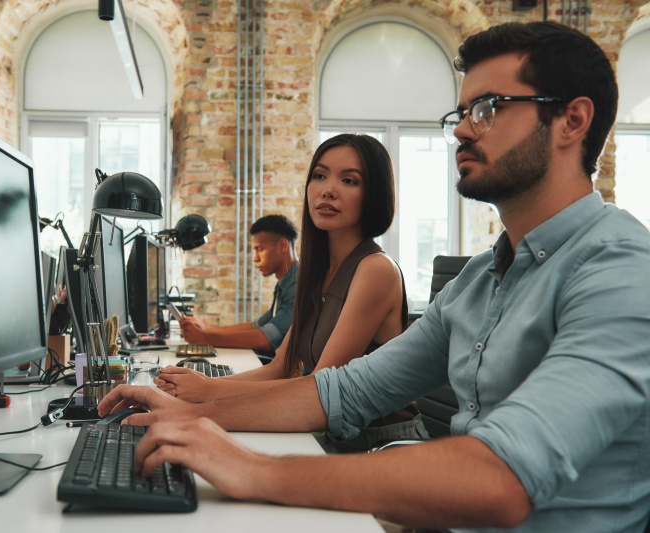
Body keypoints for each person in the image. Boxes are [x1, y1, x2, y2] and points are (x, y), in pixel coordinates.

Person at [99, 21, 650, 531]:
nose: (462, 130)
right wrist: (196, 413)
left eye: (487, 108)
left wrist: (252, 469)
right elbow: (343, 391)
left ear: (572, 121)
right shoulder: (480, 279)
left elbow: (501, 478)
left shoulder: (622, 272)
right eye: (460, 114)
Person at [157, 136, 425, 453]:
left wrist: (206, 394)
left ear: (374, 195)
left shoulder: (375, 269)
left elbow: (319, 390)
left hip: (378, 445)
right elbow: (280, 367)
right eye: (320, 175)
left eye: (349, 180)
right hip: (330, 432)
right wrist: (201, 385)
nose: (328, 190)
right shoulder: (314, 270)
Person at [177, 214, 298, 357]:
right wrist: (205, 328)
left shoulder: (298, 284)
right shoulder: (285, 283)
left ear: (283, 245)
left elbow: (267, 338)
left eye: (260, 249)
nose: (255, 258)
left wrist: (205, 337)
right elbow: (257, 325)